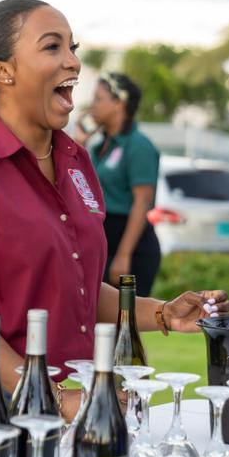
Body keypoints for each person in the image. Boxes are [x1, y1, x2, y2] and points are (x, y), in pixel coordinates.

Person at [0, 0, 229, 443]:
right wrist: (54, 396)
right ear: (2, 71)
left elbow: (77, 288)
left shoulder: (75, 161)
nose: (73, 61)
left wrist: (162, 313)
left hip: (48, 399)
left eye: (73, 46)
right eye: (52, 47)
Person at [85, 72, 162, 296]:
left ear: (119, 103)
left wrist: (123, 254)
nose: (93, 106)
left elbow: (143, 201)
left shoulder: (138, 146)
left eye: (98, 99)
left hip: (130, 243)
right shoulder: (100, 145)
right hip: (105, 238)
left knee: (124, 325)